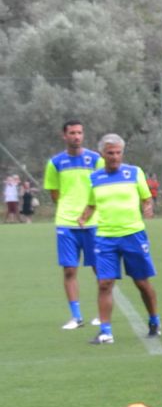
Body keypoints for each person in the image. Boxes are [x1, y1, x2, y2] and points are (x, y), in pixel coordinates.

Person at [76, 133, 159, 343]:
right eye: (110, 153)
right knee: (104, 284)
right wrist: (84, 217)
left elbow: (146, 198)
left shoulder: (134, 173)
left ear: (122, 153)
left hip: (133, 235)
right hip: (105, 237)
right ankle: (105, 332)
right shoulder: (95, 178)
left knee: (141, 283)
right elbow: (92, 203)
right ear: (102, 154)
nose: (114, 157)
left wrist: (148, 207)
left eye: (118, 153)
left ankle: (154, 321)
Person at [44, 119, 101, 328]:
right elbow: (54, 193)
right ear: (64, 136)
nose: (76, 136)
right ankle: (76, 317)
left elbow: (101, 187)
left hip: (93, 223)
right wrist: (69, 209)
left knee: (99, 269)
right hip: (66, 223)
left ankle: (101, 314)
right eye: (72, 133)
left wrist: (88, 211)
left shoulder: (96, 160)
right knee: (69, 270)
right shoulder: (55, 163)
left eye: (79, 132)